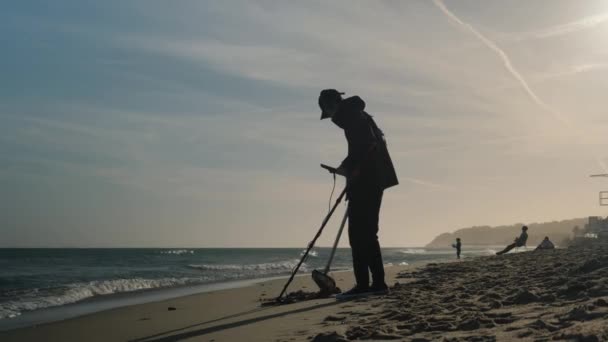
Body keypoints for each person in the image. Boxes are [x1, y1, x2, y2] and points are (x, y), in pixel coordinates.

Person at [318, 89, 398, 298]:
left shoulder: (351, 116)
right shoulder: (356, 115)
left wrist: (348, 168)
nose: (331, 118)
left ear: (332, 105)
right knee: (364, 233)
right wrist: (349, 170)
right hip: (372, 179)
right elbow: (364, 148)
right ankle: (373, 284)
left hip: (369, 181)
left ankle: (368, 285)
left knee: (362, 234)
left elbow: (366, 147)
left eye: (328, 111)